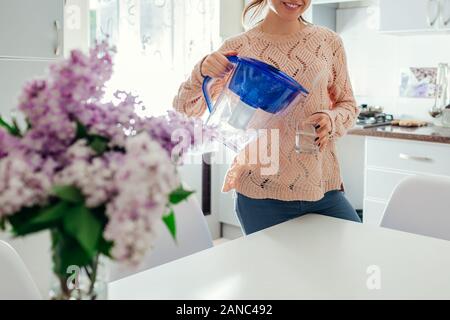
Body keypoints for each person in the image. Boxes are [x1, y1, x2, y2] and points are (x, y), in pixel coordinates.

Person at [173, 0, 361, 235]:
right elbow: (184, 108)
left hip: (323, 189)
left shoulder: (328, 42)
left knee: (350, 262)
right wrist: (201, 71)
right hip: (260, 196)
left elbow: (348, 105)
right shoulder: (238, 47)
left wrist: (331, 119)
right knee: (273, 272)